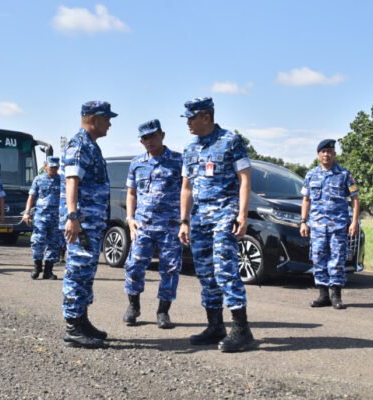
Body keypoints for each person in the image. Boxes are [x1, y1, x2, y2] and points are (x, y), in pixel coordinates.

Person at [178, 97, 255, 353]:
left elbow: (244, 179)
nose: (188, 122)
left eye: (191, 117)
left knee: (225, 269)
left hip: (224, 215)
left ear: (206, 116)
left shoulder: (230, 141)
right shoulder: (190, 148)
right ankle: (215, 326)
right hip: (199, 219)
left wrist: (242, 215)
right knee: (205, 272)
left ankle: (242, 330)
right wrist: (184, 221)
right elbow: (186, 187)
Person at [59, 100, 117, 349]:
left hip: (91, 224)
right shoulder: (80, 144)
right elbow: (72, 180)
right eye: (106, 119)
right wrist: (73, 217)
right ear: (94, 119)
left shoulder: (90, 145)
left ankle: (82, 321)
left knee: (86, 273)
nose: (110, 124)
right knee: (77, 271)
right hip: (82, 223)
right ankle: (73, 326)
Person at [123, 119, 183, 329]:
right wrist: (130, 219)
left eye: (152, 136)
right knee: (134, 266)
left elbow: (188, 192)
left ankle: (163, 312)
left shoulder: (178, 161)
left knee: (170, 270)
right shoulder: (137, 163)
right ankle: (133, 306)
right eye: (144, 138)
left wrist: (185, 221)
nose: (149, 141)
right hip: (143, 226)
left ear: (162, 135)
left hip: (170, 226)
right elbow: (131, 194)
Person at [300, 139, 360, 310]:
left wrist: (354, 222)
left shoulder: (344, 174)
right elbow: (306, 200)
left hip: (338, 226)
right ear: (318, 155)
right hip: (317, 226)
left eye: (329, 151)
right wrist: (303, 222)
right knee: (318, 259)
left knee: (337, 259)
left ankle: (336, 296)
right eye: (323, 151)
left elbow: (355, 200)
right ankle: (323, 295)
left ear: (334, 154)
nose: (326, 154)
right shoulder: (311, 175)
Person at [23, 156, 63, 280]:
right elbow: (31, 197)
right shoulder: (38, 179)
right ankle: (37, 266)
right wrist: (27, 212)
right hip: (41, 216)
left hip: (56, 217)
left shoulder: (62, 180)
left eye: (56, 167)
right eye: (51, 167)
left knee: (53, 244)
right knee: (37, 241)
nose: (54, 169)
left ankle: (48, 271)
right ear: (46, 166)